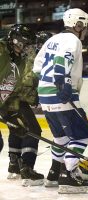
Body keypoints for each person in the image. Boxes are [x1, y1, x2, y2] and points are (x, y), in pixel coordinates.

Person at [33, 8, 88, 194]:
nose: (86, 30)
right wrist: (62, 82)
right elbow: (63, 60)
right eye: (85, 26)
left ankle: (53, 173)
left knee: (61, 137)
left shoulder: (52, 39)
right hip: (61, 92)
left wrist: (46, 85)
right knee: (82, 134)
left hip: (45, 93)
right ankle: (68, 175)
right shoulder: (71, 40)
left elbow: (37, 66)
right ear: (78, 24)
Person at [0, 24, 44, 186]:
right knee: (32, 130)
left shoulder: (17, 58)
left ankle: (18, 166)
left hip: (8, 102)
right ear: (16, 41)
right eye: (26, 44)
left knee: (22, 129)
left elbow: (15, 85)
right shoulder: (2, 49)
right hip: (8, 102)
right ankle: (26, 168)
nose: (28, 48)